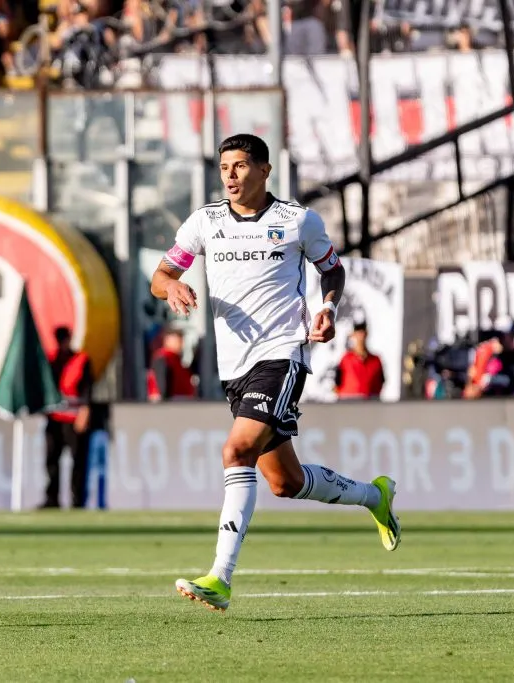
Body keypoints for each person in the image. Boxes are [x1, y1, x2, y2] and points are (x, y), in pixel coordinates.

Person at [150, 133, 400, 612]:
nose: (230, 176)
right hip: (234, 365)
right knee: (283, 482)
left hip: (283, 353)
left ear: (264, 170)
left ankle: (220, 577)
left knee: (236, 449)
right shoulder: (205, 222)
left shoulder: (296, 221)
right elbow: (161, 275)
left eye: (241, 166)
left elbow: (333, 269)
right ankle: (375, 496)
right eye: (225, 167)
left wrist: (327, 306)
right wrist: (172, 290)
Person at [41, 325, 93, 510]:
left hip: (73, 417)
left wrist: (84, 413)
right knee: (51, 460)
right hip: (55, 418)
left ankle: (77, 500)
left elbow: (87, 389)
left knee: (78, 461)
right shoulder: (52, 361)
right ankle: (51, 498)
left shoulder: (81, 360)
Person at [334, 320, 384, 400]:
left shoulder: (376, 360)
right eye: (358, 332)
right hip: (349, 403)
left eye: (362, 332)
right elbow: (337, 383)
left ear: (366, 334)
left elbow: (381, 381)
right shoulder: (345, 359)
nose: (361, 335)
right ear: (353, 335)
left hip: (370, 404)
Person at [147, 326, 196, 401]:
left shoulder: (176, 359)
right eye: (177, 337)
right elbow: (162, 386)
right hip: (171, 405)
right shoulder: (163, 358)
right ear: (167, 339)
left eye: (181, 337)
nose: (181, 342)